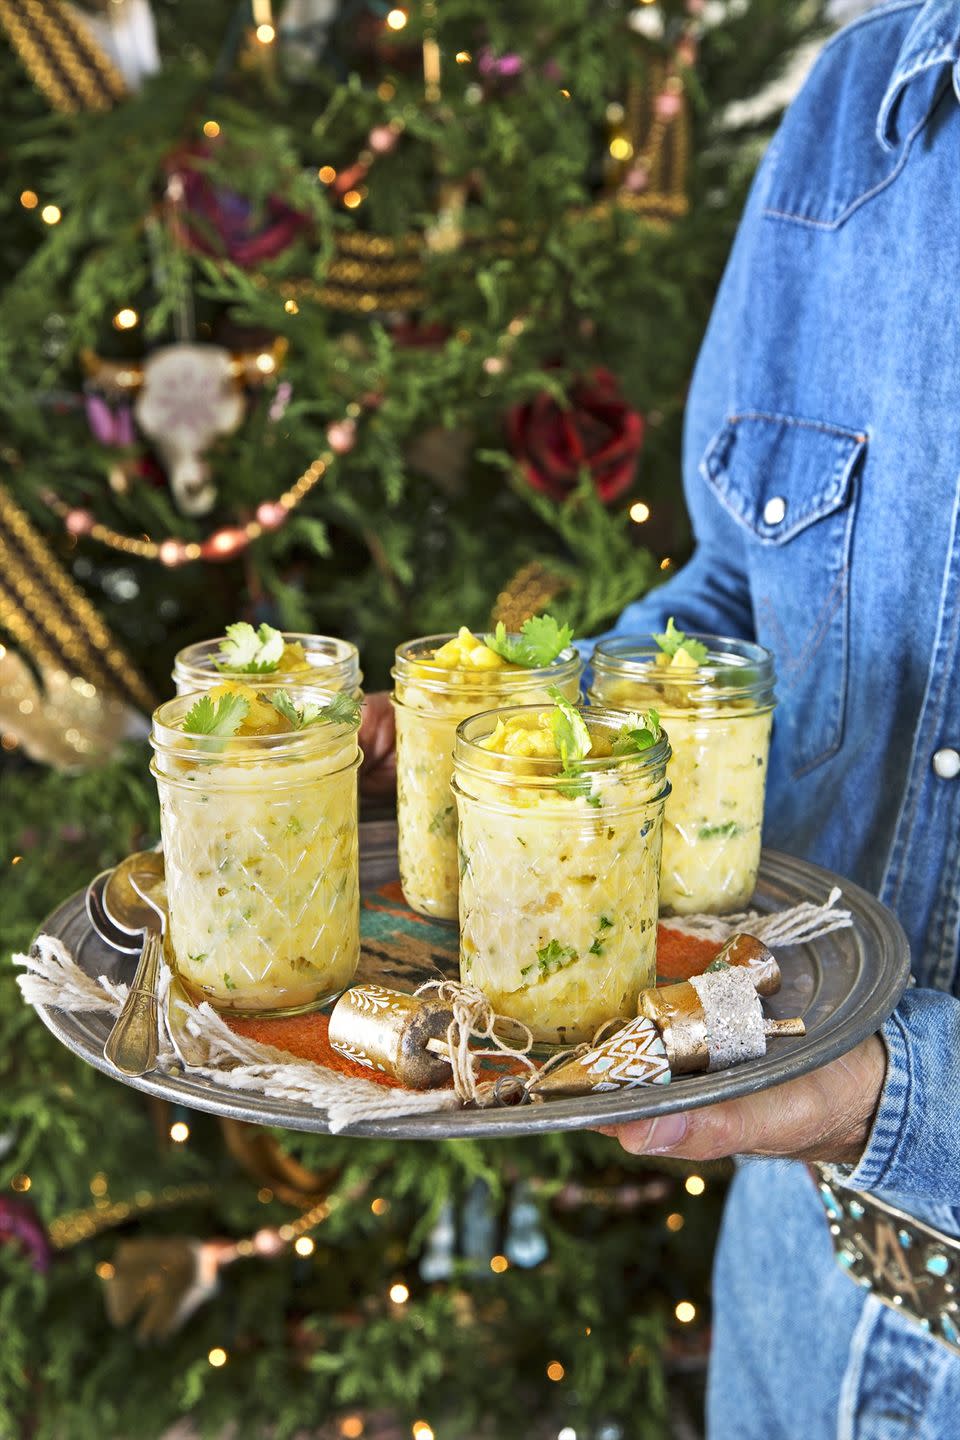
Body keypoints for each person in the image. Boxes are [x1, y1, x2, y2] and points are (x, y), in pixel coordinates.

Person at [359, 2, 960, 1431]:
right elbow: (742, 607)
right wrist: (512, 734)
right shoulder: (863, 102)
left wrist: (903, 1098)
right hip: (792, 1302)